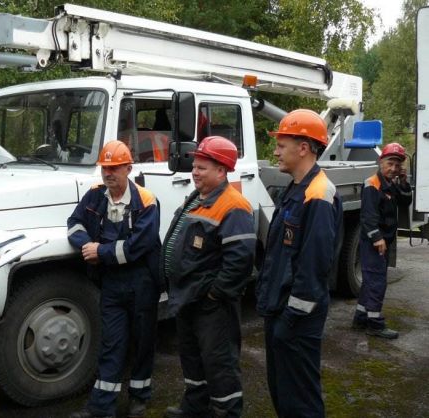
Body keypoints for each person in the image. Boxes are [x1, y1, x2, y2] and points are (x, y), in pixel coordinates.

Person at [256, 109, 342, 418]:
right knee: (283, 395)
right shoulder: (295, 188)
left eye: (281, 145)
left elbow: (314, 267)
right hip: (280, 313)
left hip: (296, 322)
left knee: (300, 403)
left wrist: (291, 318)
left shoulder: (318, 194)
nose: (275, 151)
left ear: (303, 147)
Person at [162, 136, 256, 418]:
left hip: (211, 304)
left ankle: (227, 411)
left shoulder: (234, 205)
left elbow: (240, 261)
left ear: (221, 170)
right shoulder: (197, 197)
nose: (195, 171)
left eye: (202, 167)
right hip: (188, 298)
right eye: (195, 165)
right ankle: (195, 407)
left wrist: (215, 293)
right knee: (192, 358)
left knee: (219, 363)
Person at [67, 140, 162, 418]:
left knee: (143, 342)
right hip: (111, 283)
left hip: (142, 281)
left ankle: (139, 398)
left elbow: (137, 247)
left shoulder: (146, 201)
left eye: (115, 168)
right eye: (105, 167)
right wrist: (86, 245)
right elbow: (74, 223)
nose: (109, 173)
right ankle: (101, 407)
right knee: (111, 343)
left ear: (128, 168)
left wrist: (101, 252)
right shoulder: (95, 196)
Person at [352, 142, 412, 339]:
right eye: (390, 163)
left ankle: (360, 318)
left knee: (370, 281)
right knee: (377, 282)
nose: (393, 168)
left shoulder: (391, 183)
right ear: (381, 162)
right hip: (374, 244)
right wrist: (377, 239)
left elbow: (405, 201)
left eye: (397, 165)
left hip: (384, 242)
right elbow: (368, 217)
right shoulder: (372, 184)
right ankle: (375, 324)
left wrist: (403, 182)